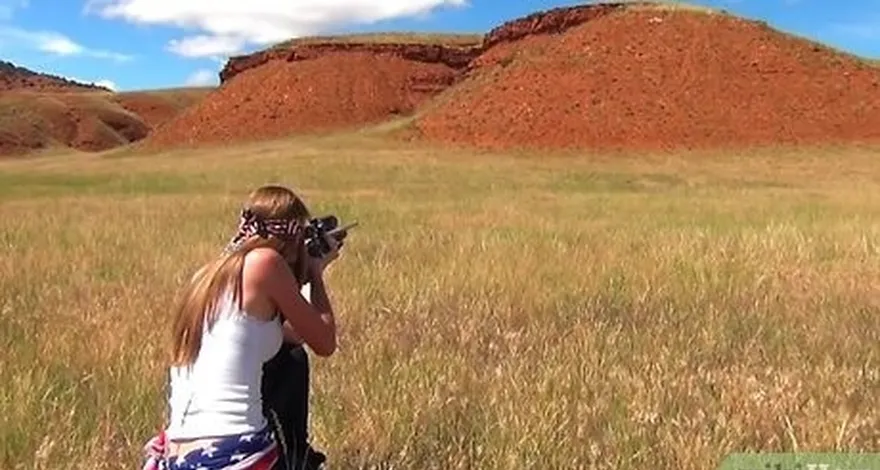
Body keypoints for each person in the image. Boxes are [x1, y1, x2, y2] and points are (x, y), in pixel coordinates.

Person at [142, 184, 340, 470]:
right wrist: (315, 275)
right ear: (292, 240)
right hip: (233, 451)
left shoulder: (206, 276)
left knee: (291, 356)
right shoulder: (266, 263)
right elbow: (324, 342)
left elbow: (292, 336)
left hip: (176, 455)